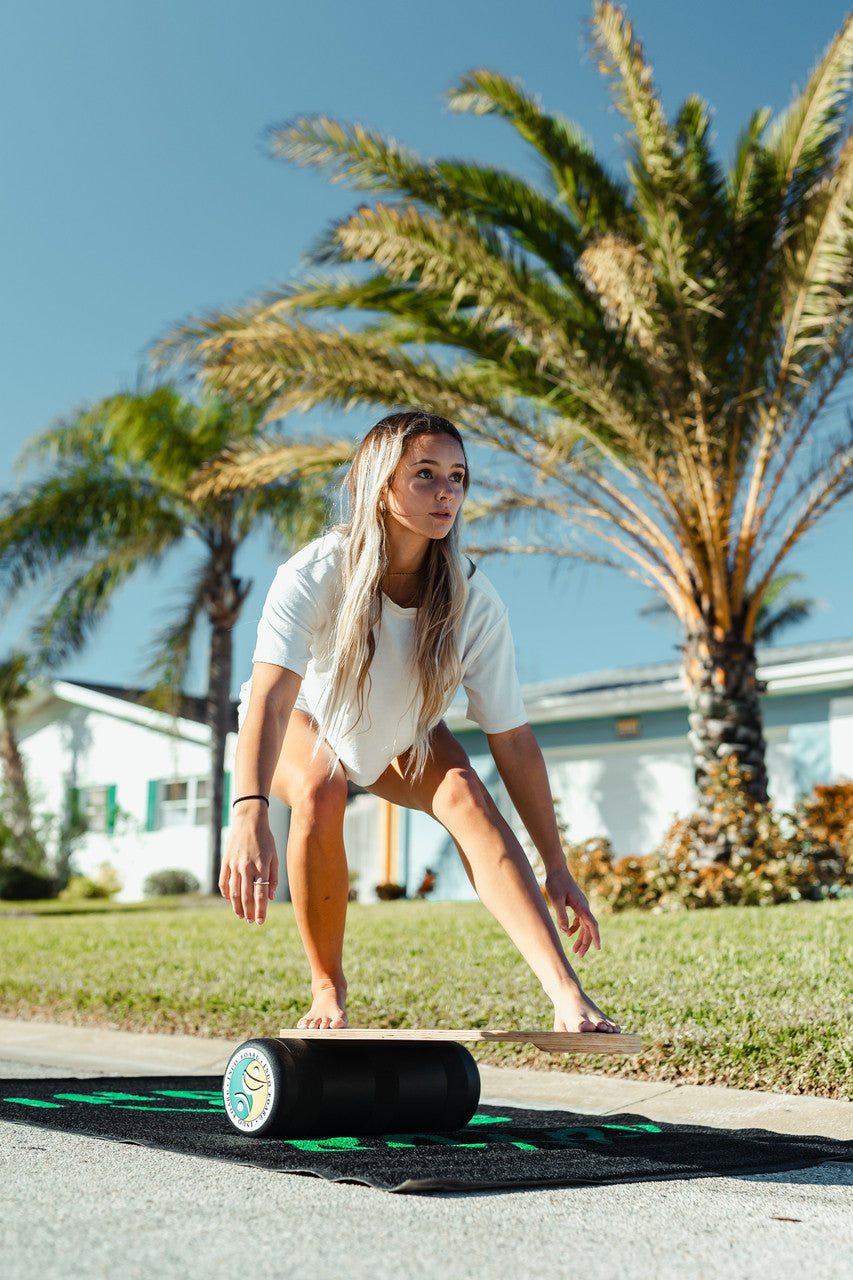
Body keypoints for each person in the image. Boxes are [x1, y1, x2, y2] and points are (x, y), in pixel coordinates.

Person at [223, 410, 620, 1035]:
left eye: (458, 478)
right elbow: (272, 700)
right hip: (302, 720)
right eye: (425, 475)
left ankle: (567, 993)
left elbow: (511, 737)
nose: (446, 493)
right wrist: (247, 813)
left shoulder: (470, 598)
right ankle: (327, 987)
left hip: (399, 734)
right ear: (379, 486)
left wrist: (557, 865)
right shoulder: (315, 572)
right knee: (322, 786)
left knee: (464, 791)